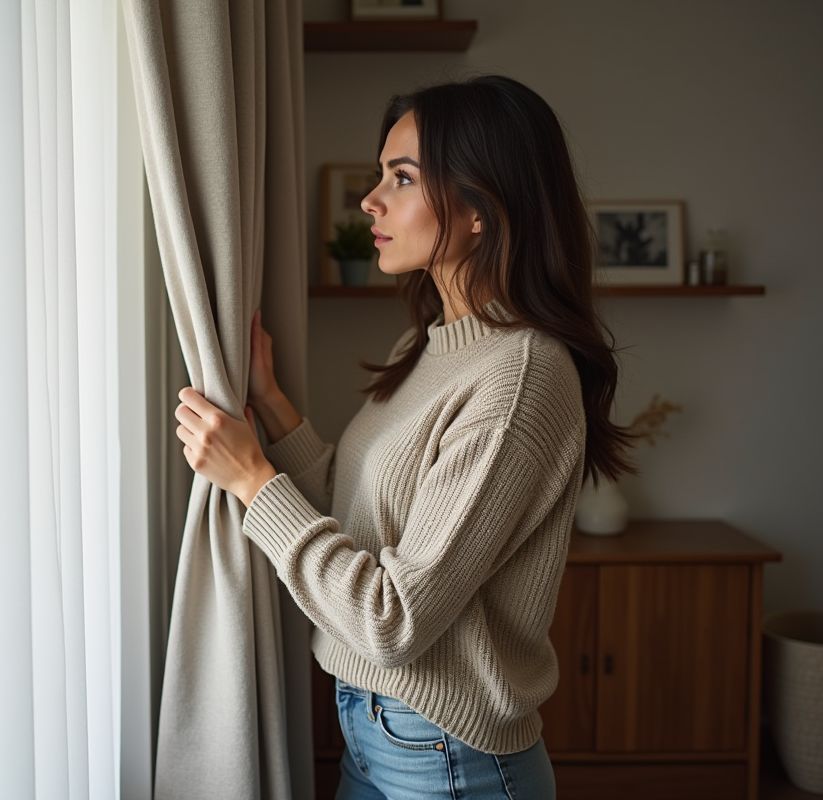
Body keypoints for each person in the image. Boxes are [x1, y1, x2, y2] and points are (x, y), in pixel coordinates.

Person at [174, 75, 633, 800]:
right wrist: (271, 404)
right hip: (373, 731)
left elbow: (394, 619)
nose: (370, 200)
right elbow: (360, 516)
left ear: (482, 207)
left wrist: (253, 481)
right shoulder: (427, 344)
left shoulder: (520, 378)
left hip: (448, 757)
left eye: (402, 177)